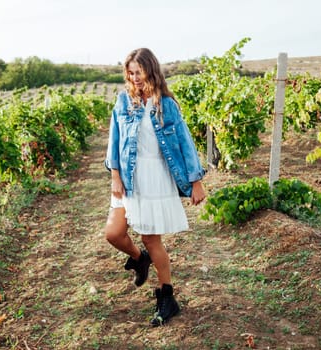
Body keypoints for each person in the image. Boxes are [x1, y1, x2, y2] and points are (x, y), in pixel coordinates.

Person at [104, 48, 206, 327]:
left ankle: (167, 297)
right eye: (130, 73)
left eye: (138, 71)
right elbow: (114, 141)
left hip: (154, 177)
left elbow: (185, 143)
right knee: (113, 233)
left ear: (151, 70)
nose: (134, 77)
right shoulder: (123, 102)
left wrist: (196, 181)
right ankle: (140, 259)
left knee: (151, 238)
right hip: (128, 176)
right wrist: (115, 175)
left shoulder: (167, 105)